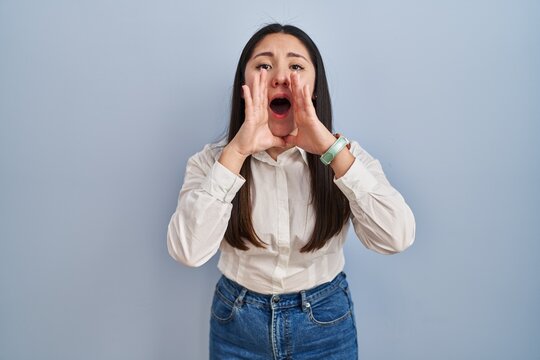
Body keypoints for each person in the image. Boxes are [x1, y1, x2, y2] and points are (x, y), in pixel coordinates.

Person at [167, 23, 415, 359]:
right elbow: (188, 252)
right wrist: (236, 154)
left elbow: (396, 237)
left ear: (314, 88)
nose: (281, 76)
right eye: (264, 65)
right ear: (245, 87)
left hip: (325, 323)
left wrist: (331, 151)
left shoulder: (346, 157)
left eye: (296, 66)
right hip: (236, 324)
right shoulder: (210, 162)